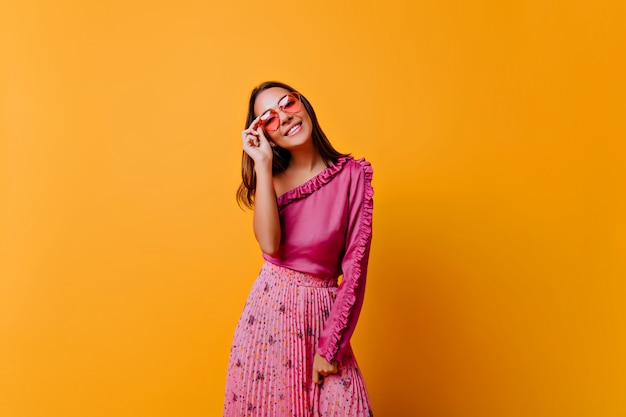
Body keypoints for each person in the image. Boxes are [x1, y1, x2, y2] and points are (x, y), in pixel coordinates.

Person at [223, 81, 374, 417]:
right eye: (270, 119)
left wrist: (330, 347)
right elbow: (269, 245)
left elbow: (355, 271)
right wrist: (261, 164)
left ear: (302, 103)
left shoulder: (353, 176)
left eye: (287, 104)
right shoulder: (271, 180)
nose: (285, 118)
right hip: (268, 322)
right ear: (266, 135)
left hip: (323, 319)